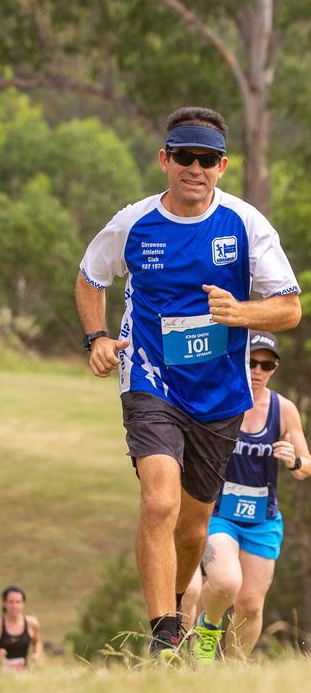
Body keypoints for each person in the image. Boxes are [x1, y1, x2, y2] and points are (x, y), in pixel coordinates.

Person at [75, 106, 301, 657]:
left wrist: (240, 313)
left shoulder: (246, 225)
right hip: (150, 378)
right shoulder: (133, 223)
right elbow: (89, 278)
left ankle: (177, 609)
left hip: (220, 393)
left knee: (195, 523)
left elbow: (290, 309)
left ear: (222, 166)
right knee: (158, 503)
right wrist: (98, 339)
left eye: (206, 159)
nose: (193, 168)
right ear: (165, 160)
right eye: (183, 157)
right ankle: (162, 638)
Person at [186, 331, 311, 662]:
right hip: (219, 513)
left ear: (274, 368)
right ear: (239, 360)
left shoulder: (284, 410)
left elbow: (306, 466)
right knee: (226, 581)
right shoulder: (220, 400)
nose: (257, 370)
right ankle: (207, 631)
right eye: (251, 362)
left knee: (251, 604)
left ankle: (232, 671)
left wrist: (293, 460)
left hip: (263, 520)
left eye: (266, 364)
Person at [0, 585, 43, 669]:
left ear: (23, 604)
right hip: (2, 674)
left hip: (26, 673)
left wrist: (36, 654)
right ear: (4, 603)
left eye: (18, 602)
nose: (14, 606)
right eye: (11, 602)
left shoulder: (32, 623)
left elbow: (37, 641)